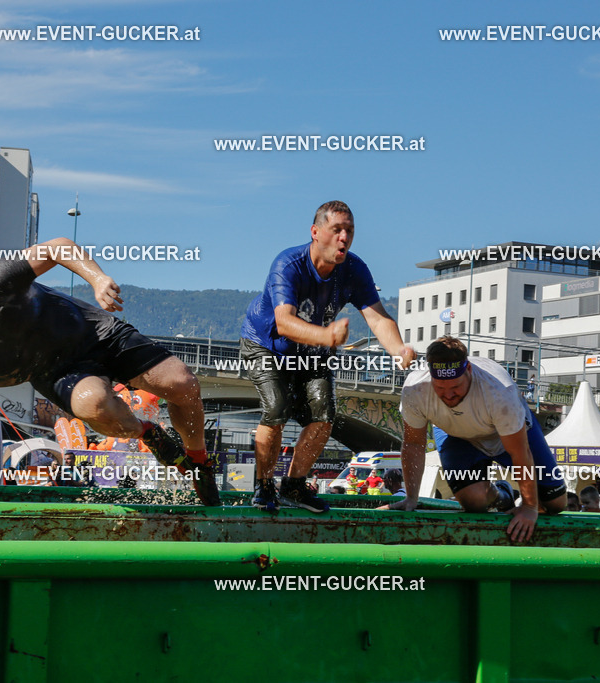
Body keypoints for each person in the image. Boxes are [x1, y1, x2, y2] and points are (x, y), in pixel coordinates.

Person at [0, 237, 220, 505]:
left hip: (98, 334)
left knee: (184, 384)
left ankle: (198, 462)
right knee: (94, 405)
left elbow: (56, 248)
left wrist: (96, 278)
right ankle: (147, 432)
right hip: (61, 372)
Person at [240, 200, 415, 512]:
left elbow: (377, 318)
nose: (344, 238)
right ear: (316, 232)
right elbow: (284, 322)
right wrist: (326, 335)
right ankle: (264, 487)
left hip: (313, 351)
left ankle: (293, 486)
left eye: (349, 231)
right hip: (266, 345)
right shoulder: (288, 264)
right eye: (337, 230)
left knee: (324, 416)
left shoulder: (355, 269)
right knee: (277, 408)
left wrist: (399, 349)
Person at [385, 337, 566, 541]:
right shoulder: (416, 389)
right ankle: (502, 495)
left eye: (455, 387)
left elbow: (520, 452)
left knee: (556, 504)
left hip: (504, 434)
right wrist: (411, 498)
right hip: (457, 434)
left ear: (469, 370)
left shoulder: (499, 393)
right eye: (440, 389)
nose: (449, 395)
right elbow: (413, 444)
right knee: (474, 502)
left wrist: (530, 506)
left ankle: (528, 497)